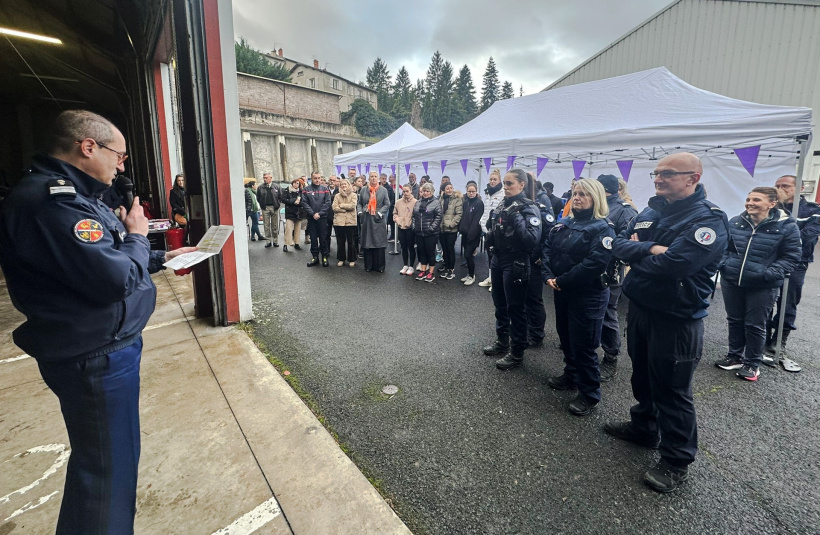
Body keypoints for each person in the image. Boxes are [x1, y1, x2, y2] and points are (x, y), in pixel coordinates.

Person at [0, 110, 196, 534]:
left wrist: (160, 257)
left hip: (99, 346)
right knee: (108, 474)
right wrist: (141, 237)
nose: (121, 165)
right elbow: (114, 278)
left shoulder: (73, 196)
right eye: (119, 156)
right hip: (96, 355)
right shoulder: (54, 203)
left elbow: (99, 259)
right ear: (88, 146)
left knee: (105, 464)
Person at [606, 152, 729, 493]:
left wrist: (640, 252)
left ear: (693, 178)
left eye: (668, 174)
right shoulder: (650, 210)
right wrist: (654, 250)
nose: (658, 179)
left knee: (673, 390)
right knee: (642, 375)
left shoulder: (709, 220)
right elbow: (618, 244)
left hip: (677, 318)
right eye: (656, 173)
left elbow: (675, 266)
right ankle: (644, 427)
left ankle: (676, 459)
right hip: (643, 307)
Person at [541, 178, 614, 416]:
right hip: (562, 290)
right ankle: (571, 375)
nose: (578, 198)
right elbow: (547, 249)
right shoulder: (564, 223)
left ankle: (589, 393)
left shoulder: (603, 228)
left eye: (584, 194)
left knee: (584, 345)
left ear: (596, 198)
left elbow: (594, 263)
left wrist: (560, 280)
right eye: (575, 193)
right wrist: (548, 276)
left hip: (588, 294)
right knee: (566, 337)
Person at [715, 187, 801, 381]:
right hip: (732, 280)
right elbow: (723, 248)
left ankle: (752, 363)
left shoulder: (786, 225)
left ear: (772, 203)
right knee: (734, 320)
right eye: (748, 199)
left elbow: (792, 256)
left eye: (756, 199)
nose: (750, 203)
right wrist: (725, 265)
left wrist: (769, 274)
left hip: (763, 285)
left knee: (755, 325)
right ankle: (735, 356)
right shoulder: (736, 221)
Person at [482, 169, 542, 370]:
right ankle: (502, 341)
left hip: (516, 261)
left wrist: (516, 219)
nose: (505, 187)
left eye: (509, 184)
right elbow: (494, 226)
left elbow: (532, 240)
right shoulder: (502, 203)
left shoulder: (528, 208)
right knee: (499, 304)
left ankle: (517, 352)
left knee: (515, 308)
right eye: (505, 184)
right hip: (498, 258)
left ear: (521, 185)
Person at [765, 174, 820, 365]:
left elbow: (806, 239)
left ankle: (779, 340)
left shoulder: (812, 210)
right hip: (770, 261)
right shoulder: (771, 208)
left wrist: (779, 240)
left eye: (785, 185)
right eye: (777, 185)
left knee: (788, 302)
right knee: (764, 299)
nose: (780, 189)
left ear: (799, 188)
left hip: (796, 263)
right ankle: (763, 336)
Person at [596, 174, 638, 381]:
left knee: (606, 314)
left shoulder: (624, 210)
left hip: (610, 270)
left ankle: (610, 357)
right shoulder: (595, 205)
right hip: (589, 269)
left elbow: (629, 245)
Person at [357, 171, 391, 272]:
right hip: (367, 219)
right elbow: (359, 203)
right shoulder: (363, 190)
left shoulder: (383, 190)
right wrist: (360, 212)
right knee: (368, 243)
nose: (373, 178)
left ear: (378, 178)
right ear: (369, 178)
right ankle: (368, 266)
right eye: (371, 176)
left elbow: (387, 204)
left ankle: (379, 267)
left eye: (375, 176)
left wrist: (380, 213)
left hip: (378, 219)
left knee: (379, 243)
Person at [478, 169, 505, 290]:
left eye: (495, 179)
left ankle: (496, 282)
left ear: (499, 180)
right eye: (491, 179)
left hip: (497, 230)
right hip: (486, 229)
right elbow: (486, 210)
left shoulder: (503, 193)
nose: (492, 181)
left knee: (496, 257)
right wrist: (482, 223)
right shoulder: (488, 193)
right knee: (489, 256)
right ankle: (490, 278)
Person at [413, 182, 442, 282]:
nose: (425, 193)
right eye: (424, 191)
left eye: (427, 191)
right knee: (421, 252)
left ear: (432, 192)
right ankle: (423, 270)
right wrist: (414, 226)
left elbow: (438, 217)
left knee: (430, 252)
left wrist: (431, 228)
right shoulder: (418, 202)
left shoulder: (436, 202)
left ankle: (431, 272)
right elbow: (414, 216)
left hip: (431, 233)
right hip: (419, 232)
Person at [302, 171, 331, 267]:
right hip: (311, 218)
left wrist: (320, 213)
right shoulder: (306, 189)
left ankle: (324, 257)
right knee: (313, 238)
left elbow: (327, 203)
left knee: (323, 238)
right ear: (311, 178)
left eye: (319, 178)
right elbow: (304, 203)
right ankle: (315, 257)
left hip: (322, 218)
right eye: (315, 178)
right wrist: (313, 213)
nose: (317, 180)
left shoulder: (325, 189)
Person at [459, 181, 484, 285]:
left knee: (469, 255)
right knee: (466, 255)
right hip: (465, 234)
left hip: (473, 235)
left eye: (473, 191)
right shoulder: (465, 202)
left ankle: (472, 275)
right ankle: (469, 274)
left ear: (476, 192)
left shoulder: (479, 203)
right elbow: (463, 217)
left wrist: (471, 234)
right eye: (469, 191)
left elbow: (476, 221)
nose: (471, 193)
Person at [439, 183, 463, 279]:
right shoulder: (441, 199)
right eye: (447, 188)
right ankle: (446, 266)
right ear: (444, 190)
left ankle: (451, 269)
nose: (449, 190)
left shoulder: (457, 200)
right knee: (444, 249)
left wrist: (451, 224)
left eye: (451, 188)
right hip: (442, 228)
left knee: (450, 249)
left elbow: (459, 214)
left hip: (451, 229)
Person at [332, 178, 358, 267]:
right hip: (339, 222)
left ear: (348, 185)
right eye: (342, 184)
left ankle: (352, 259)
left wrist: (341, 205)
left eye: (345, 184)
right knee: (340, 241)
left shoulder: (354, 195)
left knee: (351, 242)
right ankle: (341, 259)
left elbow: (352, 206)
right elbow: (334, 207)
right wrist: (343, 210)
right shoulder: (337, 196)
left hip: (350, 221)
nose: (343, 186)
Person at [394, 184, 418, 275]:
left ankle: (411, 266)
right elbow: (394, 212)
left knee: (411, 247)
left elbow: (417, 215)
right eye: (403, 191)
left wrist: (411, 223)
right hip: (401, 227)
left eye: (407, 191)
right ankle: (405, 265)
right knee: (403, 247)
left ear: (411, 191)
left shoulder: (415, 202)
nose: (405, 193)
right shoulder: (398, 202)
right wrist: (396, 219)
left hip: (410, 228)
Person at [257, 172, 281, 248]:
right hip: (265, 207)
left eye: (266, 178)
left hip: (274, 207)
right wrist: (262, 204)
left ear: (271, 178)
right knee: (266, 225)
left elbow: (280, 196)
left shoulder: (276, 186)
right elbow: (258, 197)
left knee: (274, 225)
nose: (265, 179)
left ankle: (275, 241)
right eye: (264, 178)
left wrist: (277, 204)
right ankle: (268, 241)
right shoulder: (260, 187)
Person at [281, 178, 304, 252]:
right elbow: (283, 199)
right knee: (288, 229)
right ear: (292, 183)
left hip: (298, 212)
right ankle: (285, 244)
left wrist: (299, 203)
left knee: (297, 229)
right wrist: (293, 201)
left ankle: (297, 243)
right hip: (290, 212)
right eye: (294, 183)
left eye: (297, 183)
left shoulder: (301, 192)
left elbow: (304, 201)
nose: (295, 185)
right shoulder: (287, 190)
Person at [381, 172, 396, 241]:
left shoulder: (389, 188)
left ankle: (389, 236)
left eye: (385, 179)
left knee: (387, 222)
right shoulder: (377, 187)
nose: (384, 180)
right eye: (383, 178)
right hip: (379, 208)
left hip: (388, 208)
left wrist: (389, 206)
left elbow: (392, 198)